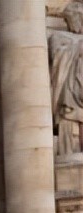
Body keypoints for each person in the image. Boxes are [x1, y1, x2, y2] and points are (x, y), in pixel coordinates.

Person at [49, 1, 83, 158]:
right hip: (69, 93)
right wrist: (78, 48)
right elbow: (56, 55)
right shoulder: (59, 37)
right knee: (70, 129)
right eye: (78, 18)